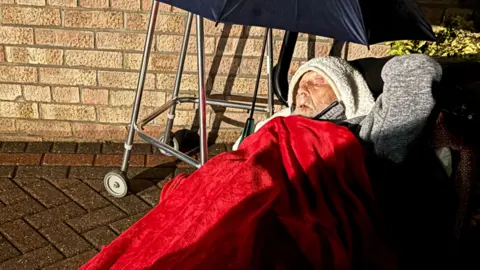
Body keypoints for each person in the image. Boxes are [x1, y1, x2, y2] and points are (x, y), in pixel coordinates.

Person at [233, 53, 443, 165]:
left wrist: (367, 71)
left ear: (345, 92)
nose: (302, 90)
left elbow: (416, 68)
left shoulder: (362, 131)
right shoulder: (276, 124)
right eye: (298, 84)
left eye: (318, 82)